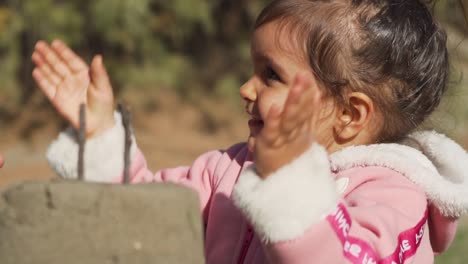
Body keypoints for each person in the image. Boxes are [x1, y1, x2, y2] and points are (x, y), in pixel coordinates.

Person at [31, 0, 468, 263]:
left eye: (271, 76)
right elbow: (147, 217)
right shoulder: (227, 169)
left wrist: (288, 182)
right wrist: (102, 136)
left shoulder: (396, 196)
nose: (245, 88)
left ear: (351, 114)